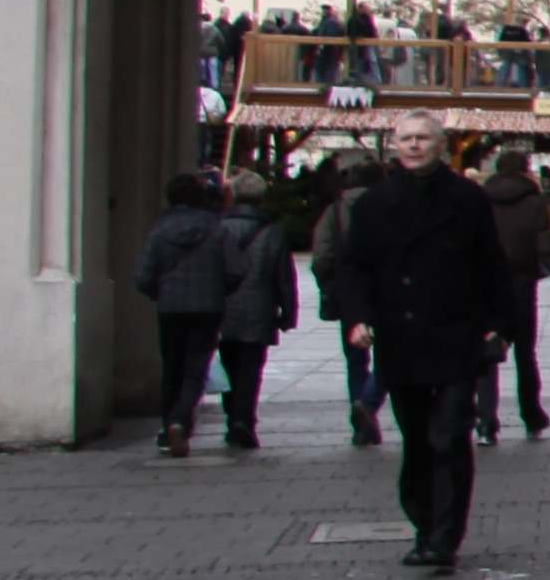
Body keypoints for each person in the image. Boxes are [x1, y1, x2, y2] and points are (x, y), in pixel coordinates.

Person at [337, 117, 510, 567]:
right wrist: (358, 317)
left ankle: (444, 537)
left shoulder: (468, 199)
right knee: (417, 439)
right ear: (394, 146)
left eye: (423, 138)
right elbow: (354, 266)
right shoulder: (374, 204)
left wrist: (499, 324)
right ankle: (424, 526)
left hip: (457, 331)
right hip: (402, 334)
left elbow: (491, 262)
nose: (414, 145)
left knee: (449, 435)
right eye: (406, 139)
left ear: (440, 145)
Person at [129, 171, 240, 458]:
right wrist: (219, 289)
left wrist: (159, 291)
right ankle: (181, 420)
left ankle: (168, 427)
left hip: (171, 307)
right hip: (208, 307)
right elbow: (236, 269)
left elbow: (143, 275)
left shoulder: (159, 231)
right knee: (195, 368)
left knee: (172, 369)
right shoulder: (217, 229)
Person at [476, 144, 550, 437]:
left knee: (488, 351)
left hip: (487, 285)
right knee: (525, 355)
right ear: (525, 169)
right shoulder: (534, 201)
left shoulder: (480, 199)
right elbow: (546, 244)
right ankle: (531, 414)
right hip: (522, 284)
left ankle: (486, 420)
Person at [209, 179, 296, 451]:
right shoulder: (273, 233)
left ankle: (233, 417)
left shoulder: (218, 228)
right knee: (250, 370)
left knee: (229, 366)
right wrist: (288, 313)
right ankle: (243, 419)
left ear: (234, 196)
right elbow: (284, 278)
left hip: (223, 309)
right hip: (259, 309)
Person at [310, 153, 386, 444]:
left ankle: (360, 420)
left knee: (355, 357)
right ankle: (368, 401)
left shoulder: (336, 208)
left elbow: (323, 252)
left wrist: (329, 282)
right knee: (390, 353)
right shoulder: (390, 203)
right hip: (386, 287)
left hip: (349, 289)